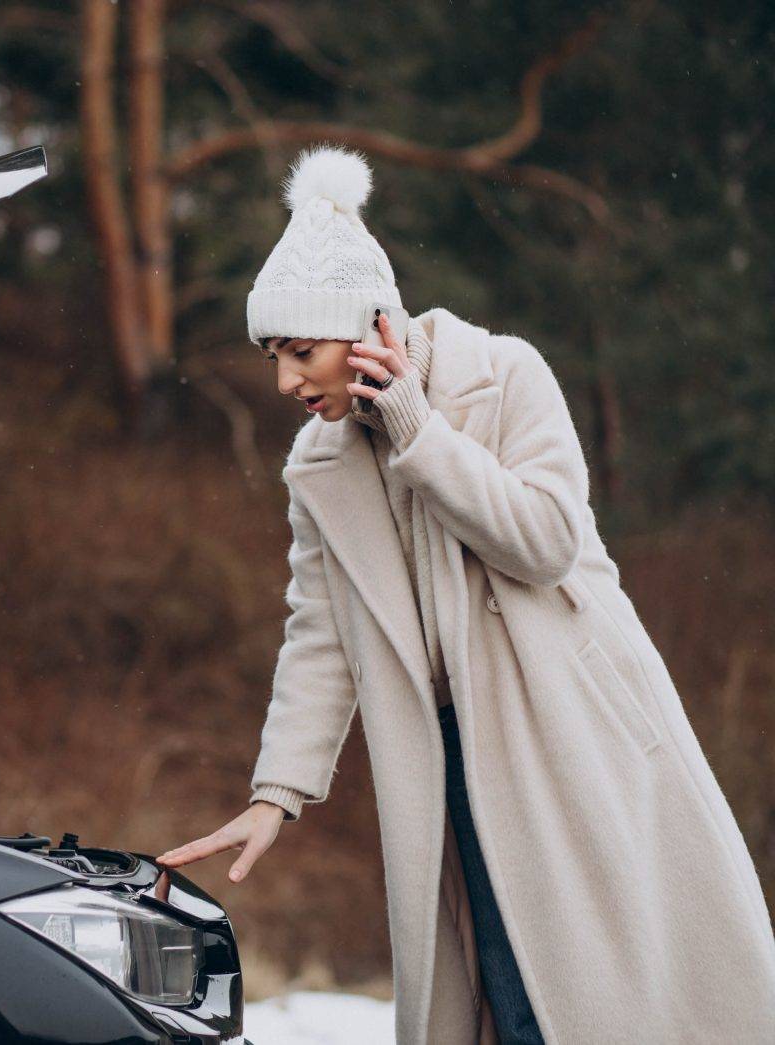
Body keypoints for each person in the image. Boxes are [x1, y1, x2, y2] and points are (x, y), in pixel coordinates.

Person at [156, 144, 775, 1044]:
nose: (286, 381)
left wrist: (417, 427)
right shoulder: (318, 465)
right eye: (274, 356)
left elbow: (546, 540)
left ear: (369, 328)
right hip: (444, 755)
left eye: (301, 350)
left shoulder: (505, 376)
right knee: (506, 992)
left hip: (572, 731)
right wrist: (275, 793)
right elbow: (321, 633)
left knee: (610, 991)